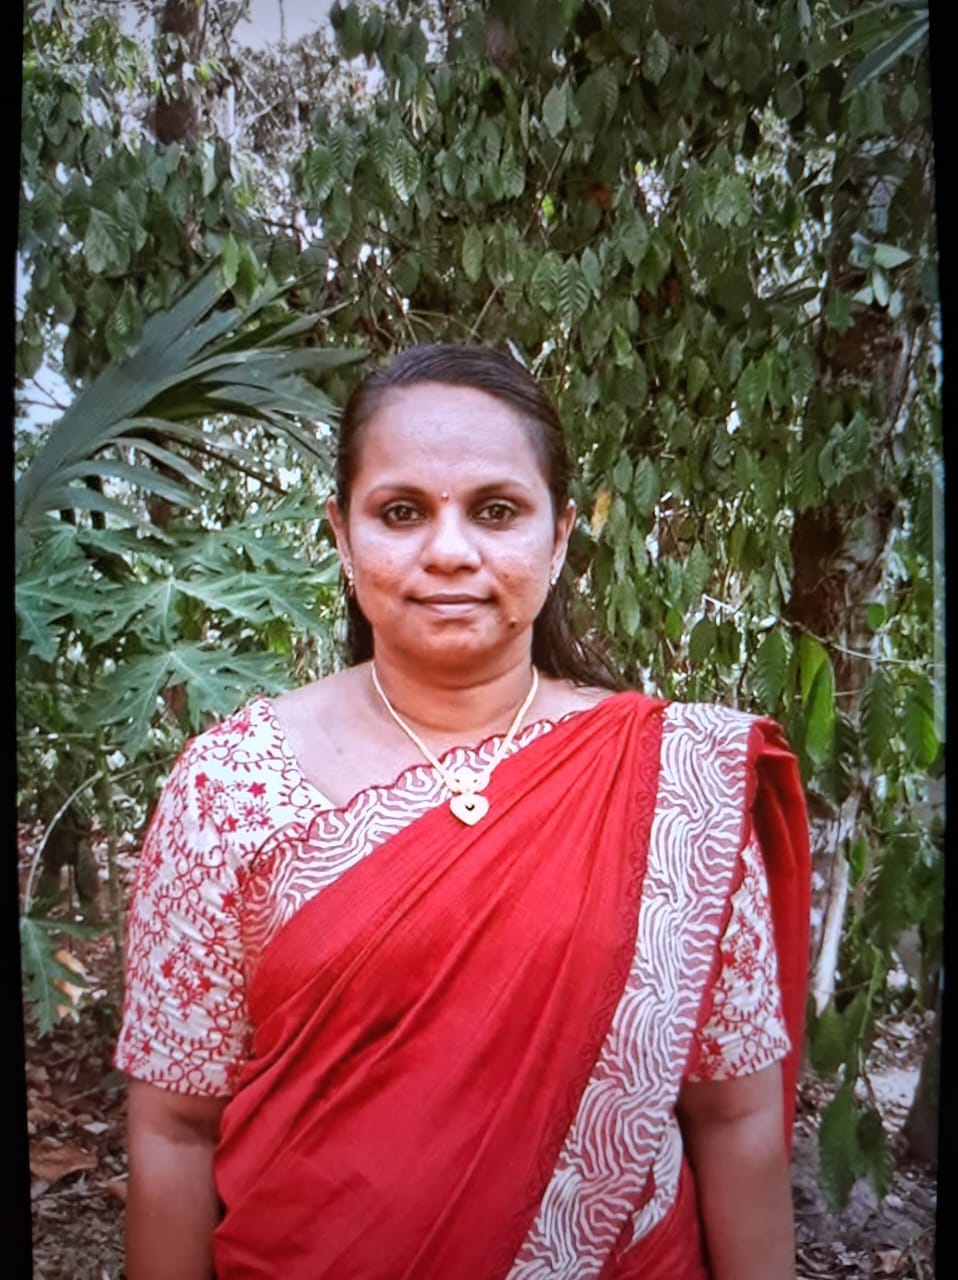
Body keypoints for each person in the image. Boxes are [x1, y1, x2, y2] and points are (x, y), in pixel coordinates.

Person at [116, 342, 811, 1280]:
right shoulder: (229, 785)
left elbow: (735, 1116)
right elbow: (174, 1129)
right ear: (342, 535)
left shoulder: (673, 783)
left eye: (496, 510)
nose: (449, 551)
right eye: (402, 512)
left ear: (559, 537)